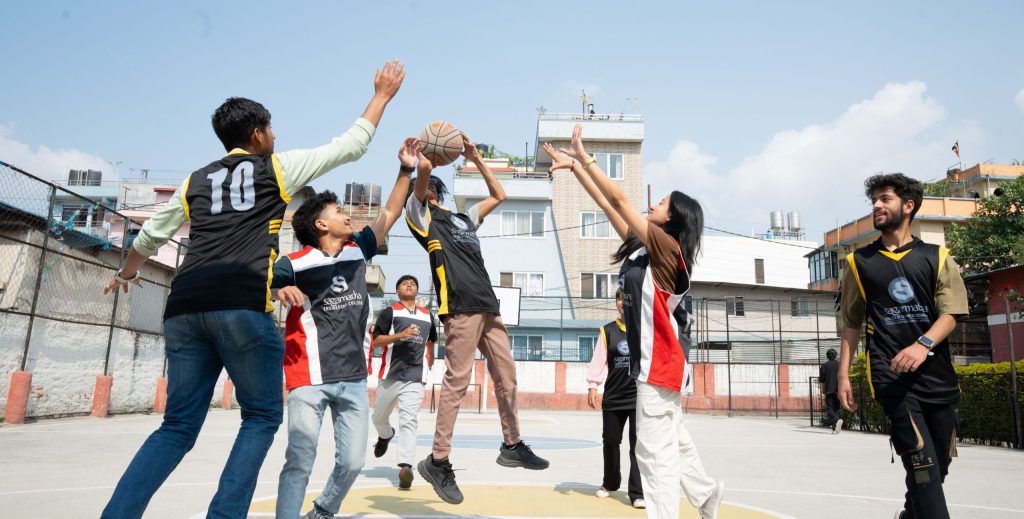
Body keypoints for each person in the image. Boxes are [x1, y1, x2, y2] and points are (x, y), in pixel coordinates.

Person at [99, 61, 404, 519]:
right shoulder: (275, 169)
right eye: (272, 129)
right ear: (258, 134)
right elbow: (351, 145)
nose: (276, 136)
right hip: (240, 306)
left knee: (177, 426)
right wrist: (381, 95)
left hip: (183, 309)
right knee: (261, 416)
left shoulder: (195, 180)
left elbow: (148, 238)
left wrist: (126, 274)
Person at [545, 126, 725, 519]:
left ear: (673, 218)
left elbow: (619, 198)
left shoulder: (667, 248)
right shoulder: (644, 250)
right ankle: (706, 494)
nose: (654, 204)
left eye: (662, 202)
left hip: (660, 366)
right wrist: (575, 170)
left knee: (652, 451)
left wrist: (585, 156)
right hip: (660, 366)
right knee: (672, 439)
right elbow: (607, 205)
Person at [270, 137, 421, 519]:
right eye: (339, 211)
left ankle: (322, 511)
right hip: (309, 376)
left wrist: (406, 169)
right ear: (321, 224)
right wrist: (278, 289)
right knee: (300, 459)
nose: (348, 215)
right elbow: (271, 283)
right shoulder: (294, 263)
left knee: (353, 462)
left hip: (353, 376)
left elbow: (390, 212)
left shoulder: (357, 250)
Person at [407, 132, 549, 505]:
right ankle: (438, 460)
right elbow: (420, 181)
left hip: (488, 304)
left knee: (507, 376)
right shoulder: (421, 217)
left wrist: (474, 157)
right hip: (458, 307)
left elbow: (499, 194)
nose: (426, 188)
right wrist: (425, 162)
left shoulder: (463, 219)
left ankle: (512, 444)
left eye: (429, 185)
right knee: (458, 382)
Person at [837, 173, 969, 519]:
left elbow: (952, 313)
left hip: (939, 379)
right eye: (874, 201)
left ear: (908, 206)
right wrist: (843, 376)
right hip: (892, 380)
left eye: (885, 199)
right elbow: (851, 323)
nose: (877, 206)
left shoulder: (937, 257)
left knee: (937, 468)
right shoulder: (858, 263)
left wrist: (922, 344)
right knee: (922, 466)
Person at [370, 274, 437, 490]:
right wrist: (400, 335)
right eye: (404, 283)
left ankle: (405, 466)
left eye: (413, 283)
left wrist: (430, 357)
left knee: (409, 420)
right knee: (378, 417)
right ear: (397, 291)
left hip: (415, 377)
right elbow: (377, 340)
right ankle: (386, 435)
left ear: (417, 291)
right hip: (391, 375)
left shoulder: (427, 316)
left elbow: (431, 340)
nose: (409, 285)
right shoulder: (390, 312)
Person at [586, 290, 645, 509]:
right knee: (610, 441)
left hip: (638, 397)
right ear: (616, 303)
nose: (623, 302)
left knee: (637, 445)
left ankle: (637, 493)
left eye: (627, 298)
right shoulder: (607, 331)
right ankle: (610, 483)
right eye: (620, 298)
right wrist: (593, 386)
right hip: (613, 396)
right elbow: (598, 361)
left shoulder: (644, 330)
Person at [819, 348, 843, 434]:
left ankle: (836, 420)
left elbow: (822, 379)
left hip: (829, 390)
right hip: (839, 389)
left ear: (827, 356)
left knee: (830, 408)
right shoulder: (840, 365)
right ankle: (834, 428)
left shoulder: (824, 366)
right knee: (836, 408)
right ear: (836, 355)